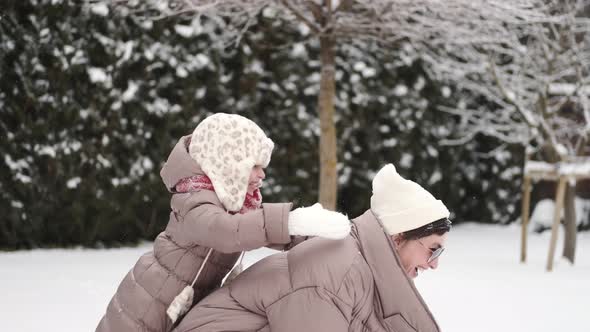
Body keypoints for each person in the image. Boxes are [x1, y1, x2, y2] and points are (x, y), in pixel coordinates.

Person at [96, 113, 351, 332]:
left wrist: (311, 235)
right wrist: (290, 221)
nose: (262, 174)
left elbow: (261, 229)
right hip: (145, 307)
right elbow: (226, 232)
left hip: (173, 306)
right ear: (227, 163)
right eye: (254, 165)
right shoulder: (195, 202)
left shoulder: (228, 204)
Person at [173, 163, 452, 332]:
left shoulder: (359, 266)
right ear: (398, 236)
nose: (435, 264)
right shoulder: (336, 272)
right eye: (433, 249)